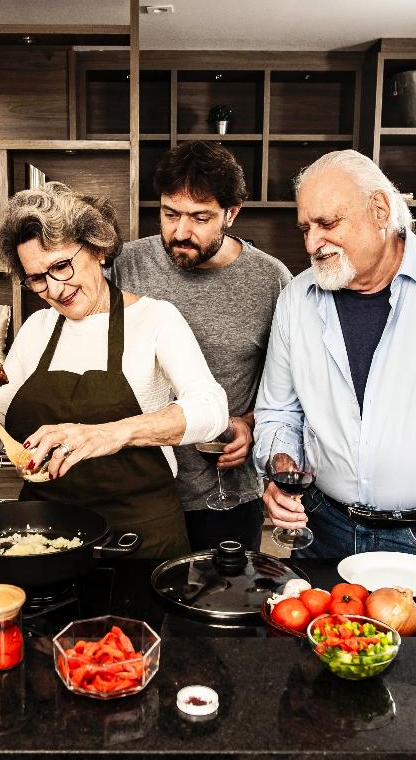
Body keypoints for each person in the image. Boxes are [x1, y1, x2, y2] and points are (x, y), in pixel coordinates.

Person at [254, 148, 416, 558]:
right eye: (305, 228)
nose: (313, 242)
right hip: (322, 528)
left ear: (379, 209)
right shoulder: (296, 298)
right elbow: (278, 411)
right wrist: (282, 465)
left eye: (328, 223)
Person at [0, 181, 229, 558]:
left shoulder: (155, 319)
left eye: (61, 266)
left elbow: (212, 409)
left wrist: (112, 434)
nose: (54, 288)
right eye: (37, 278)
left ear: (97, 249)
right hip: (44, 539)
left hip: (139, 537)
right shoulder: (36, 330)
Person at [111, 141, 291, 551]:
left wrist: (249, 422)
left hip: (225, 495)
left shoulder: (271, 281)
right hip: (136, 490)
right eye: (170, 213)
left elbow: (289, 389)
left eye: (200, 217)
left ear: (232, 213)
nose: (180, 232)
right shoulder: (126, 265)